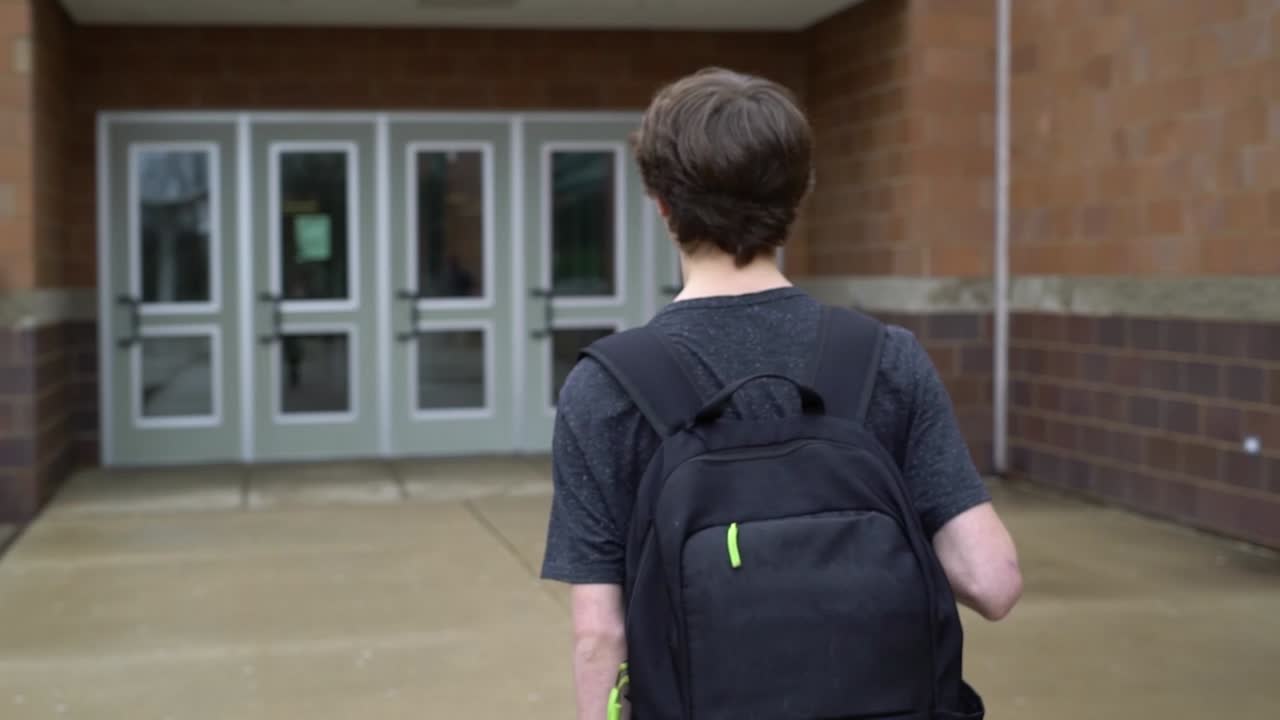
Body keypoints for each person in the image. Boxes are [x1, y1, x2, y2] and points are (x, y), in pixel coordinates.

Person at [540, 67, 1022, 720]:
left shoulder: (605, 388)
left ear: (661, 203)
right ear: (801, 195)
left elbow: (600, 633)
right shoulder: (884, 361)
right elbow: (992, 583)